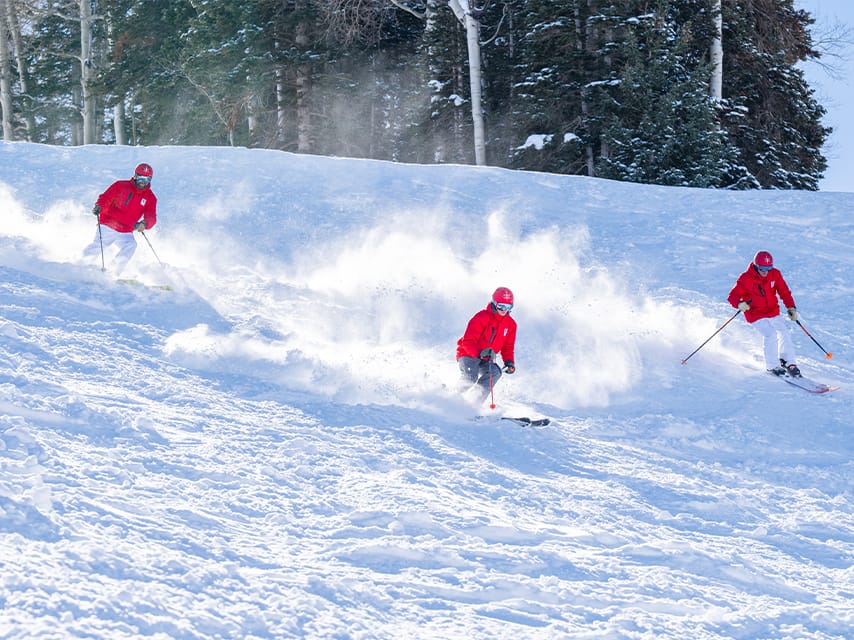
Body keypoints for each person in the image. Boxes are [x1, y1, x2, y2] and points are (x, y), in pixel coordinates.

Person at [727, 250, 801, 377]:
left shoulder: (775, 274)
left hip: (772, 311)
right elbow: (732, 296)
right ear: (756, 266)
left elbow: (784, 292)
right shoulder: (745, 278)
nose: (766, 272)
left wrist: (791, 308)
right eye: (762, 269)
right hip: (755, 314)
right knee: (770, 334)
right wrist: (739, 304)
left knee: (784, 332)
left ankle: (788, 361)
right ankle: (772, 366)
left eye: (768, 268)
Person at [83, 163, 157, 273]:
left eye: (147, 179)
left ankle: (113, 271)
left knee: (131, 245)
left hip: (126, 229)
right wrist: (99, 206)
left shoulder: (150, 198)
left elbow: (151, 216)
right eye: (141, 178)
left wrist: (145, 224)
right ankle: (82, 265)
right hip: (109, 224)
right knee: (100, 245)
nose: (143, 182)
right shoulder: (121, 186)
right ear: (135, 176)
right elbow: (105, 198)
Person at [456, 287, 517, 402]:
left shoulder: (511, 325)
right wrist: (479, 352)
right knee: (470, 377)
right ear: (495, 303)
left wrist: (509, 362)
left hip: (486, 358)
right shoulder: (482, 317)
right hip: (468, 354)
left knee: (495, 372)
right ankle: (451, 397)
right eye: (501, 306)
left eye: (508, 307)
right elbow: (468, 341)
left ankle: (472, 404)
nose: (504, 310)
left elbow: (508, 347)